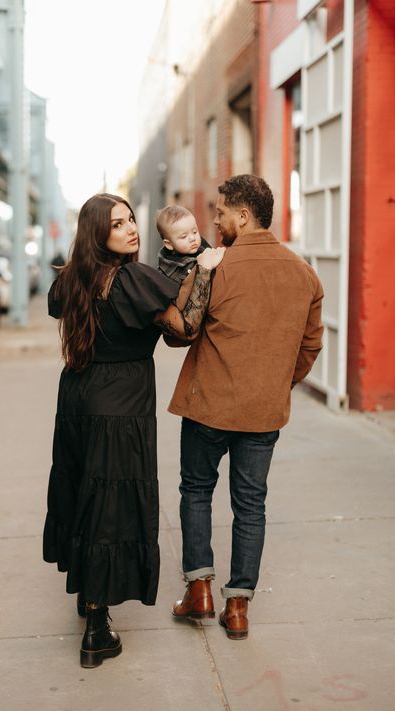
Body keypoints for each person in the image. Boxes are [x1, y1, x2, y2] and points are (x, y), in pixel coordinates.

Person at [43, 193, 224, 669]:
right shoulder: (133, 279)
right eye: (117, 224)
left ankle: (87, 595)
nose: (130, 229)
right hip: (120, 402)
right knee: (110, 503)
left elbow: (59, 307)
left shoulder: (74, 277)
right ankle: (97, 629)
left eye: (130, 220)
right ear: (97, 233)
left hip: (78, 395)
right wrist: (203, 271)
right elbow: (183, 330)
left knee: (85, 488)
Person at [168, 174, 324, 640]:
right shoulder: (304, 273)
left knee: (196, 490)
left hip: (208, 407)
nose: (213, 220)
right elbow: (310, 346)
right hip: (262, 412)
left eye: (220, 212)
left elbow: (182, 329)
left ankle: (199, 591)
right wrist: (278, 382)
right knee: (250, 505)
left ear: (243, 214)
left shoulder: (216, 267)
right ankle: (237, 608)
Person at [156, 204, 211, 285]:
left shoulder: (204, 249)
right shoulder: (170, 272)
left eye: (195, 232)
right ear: (169, 244)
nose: (192, 238)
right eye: (184, 236)